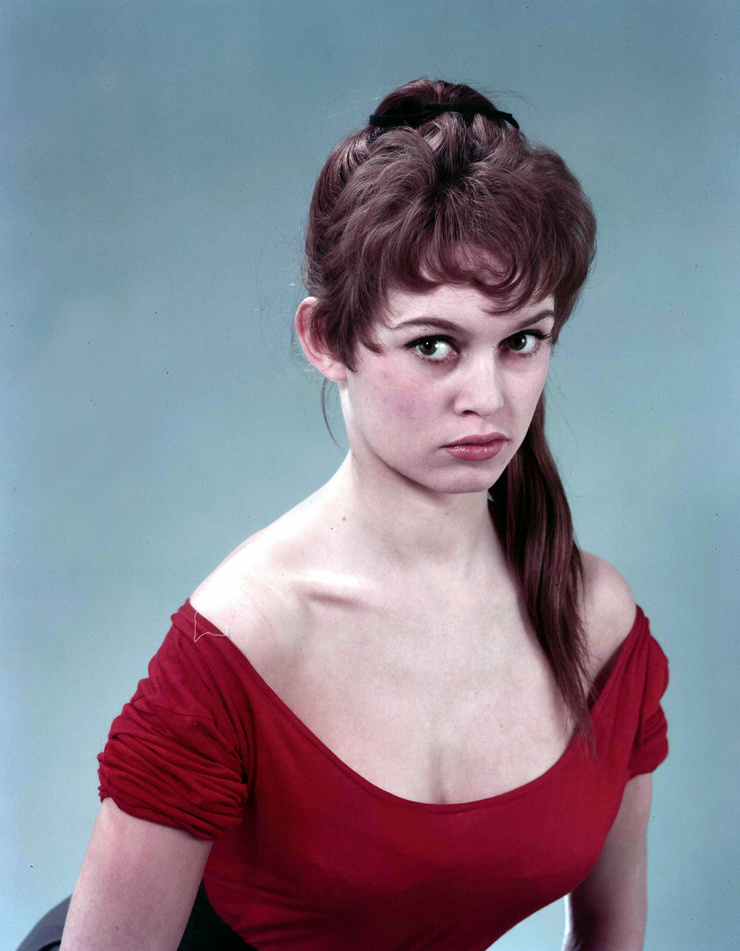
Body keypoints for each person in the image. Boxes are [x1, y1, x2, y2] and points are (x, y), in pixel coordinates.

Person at [45, 78, 668, 951]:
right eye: (433, 345)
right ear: (326, 340)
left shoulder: (599, 624)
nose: (488, 396)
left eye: (522, 340)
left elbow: (612, 940)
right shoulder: (244, 639)